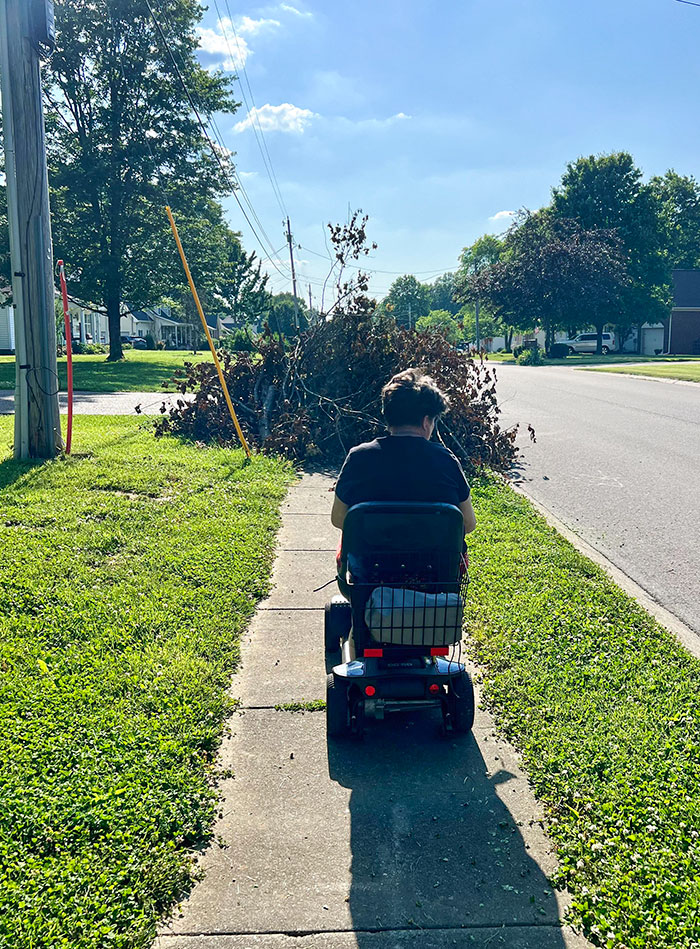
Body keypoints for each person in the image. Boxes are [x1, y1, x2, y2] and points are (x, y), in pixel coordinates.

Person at [331, 368, 477, 534]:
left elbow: (338, 518)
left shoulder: (358, 457)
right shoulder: (446, 460)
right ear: (426, 421)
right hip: (433, 559)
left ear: (388, 415)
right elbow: (468, 523)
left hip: (373, 558)